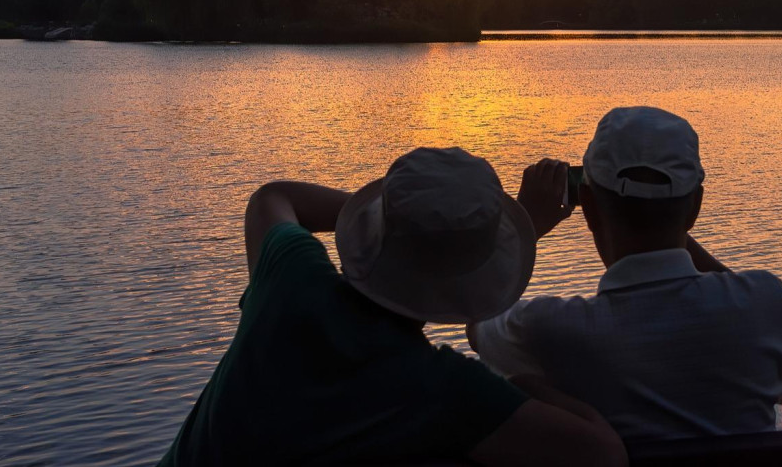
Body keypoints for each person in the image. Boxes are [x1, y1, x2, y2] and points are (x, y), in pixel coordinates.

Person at [159, 147, 626, 467]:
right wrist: (519, 385)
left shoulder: (290, 279)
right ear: (474, 282)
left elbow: (273, 197)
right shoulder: (441, 388)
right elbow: (604, 453)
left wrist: (401, 225)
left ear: (371, 230)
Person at [471, 107, 782, 442]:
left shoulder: (547, 329)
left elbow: (478, 322)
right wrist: (670, 219)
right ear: (696, 206)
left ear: (588, 205)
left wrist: (524, 225)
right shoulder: (766, 302)